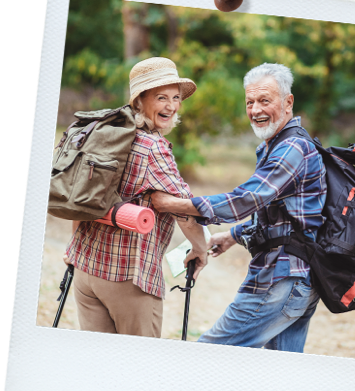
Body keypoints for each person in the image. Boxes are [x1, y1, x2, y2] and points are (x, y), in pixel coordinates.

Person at [151, 62, 326, 353]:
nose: (255, 110)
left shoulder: (292, 148)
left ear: (288, 102)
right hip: (298, 280)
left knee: (206, 354)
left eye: (264, 101)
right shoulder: (278, 145)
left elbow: (247, 199)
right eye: (250, 102)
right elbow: (280, 214)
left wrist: (175, 204)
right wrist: (232, 236)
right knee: (278, 377)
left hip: (280, 279)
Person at [65, 57, 208, 337]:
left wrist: (72, 249)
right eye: (161, 97)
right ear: (139, 100)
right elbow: (186, 210)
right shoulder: (152, 147)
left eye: (176, 98)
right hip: (128, 278)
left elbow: (82, 196)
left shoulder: (103, 129)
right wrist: (200, 248)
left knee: (101, 366)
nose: (171, 106)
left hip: (85, 269)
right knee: (140, 369)